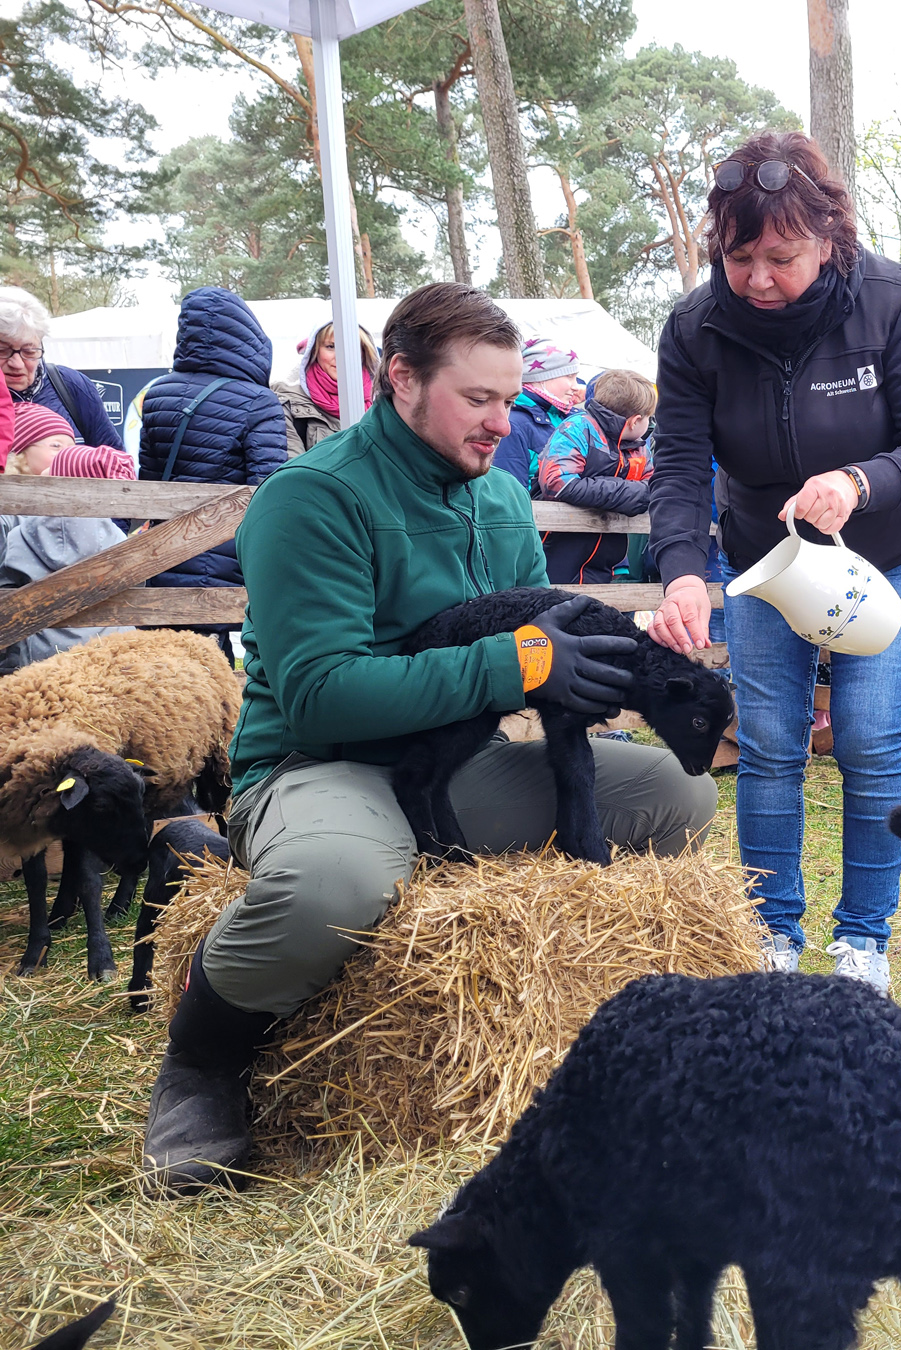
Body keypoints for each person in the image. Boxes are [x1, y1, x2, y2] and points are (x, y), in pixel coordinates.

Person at [142, 282, 717, 1195]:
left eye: (509, 397)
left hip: (454, 761)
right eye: (478, 398)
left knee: (675, 793)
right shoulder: (310, 498)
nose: (501, 421)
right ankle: (202, 1063)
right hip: (321, 763)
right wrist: (516, 666)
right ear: (400, 378)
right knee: (339, 879)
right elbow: (323, 695)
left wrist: (597, 677)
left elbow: (542, 641)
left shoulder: (498, 500)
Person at [645, 130, 901, 995]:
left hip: (888, 549)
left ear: (829, 238)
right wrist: (681, 570)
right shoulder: (696, 329)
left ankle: (863, 940)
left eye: (782, 257)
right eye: (739, 256)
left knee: (866, 732)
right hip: (764, 559)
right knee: (774, 741)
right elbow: (675, 465)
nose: (757, 279)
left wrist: (861, 481)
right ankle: (772, 930)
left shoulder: (889, 301)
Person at [136, 287, 289, 624]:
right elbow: (271, 490)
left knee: (170, 656)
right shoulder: (258, 401)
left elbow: (147, 481)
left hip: (165, 550)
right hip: (225, 551)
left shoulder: (158, 392)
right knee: (212, 657)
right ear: (246, 334)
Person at [0, 430, 133, 673]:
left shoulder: (20, 534)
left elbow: (6, 583)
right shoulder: (116, 538)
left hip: (39, 660)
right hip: (111, 651)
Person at [535, 368, 655, 585]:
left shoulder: (638, 450)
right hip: (557, 549)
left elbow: (654, 486)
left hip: (607, 556)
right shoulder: (579, 428)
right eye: (649, 417)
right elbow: (558, 482)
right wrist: (628, 493)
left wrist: (634, 494)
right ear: (635, 420)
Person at [0, 285, 123, 451]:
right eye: (2, 351)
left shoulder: (71, 384)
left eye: (29, 351)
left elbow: (115, 460)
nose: (17, 363)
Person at [275, 322, 378, 458]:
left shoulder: (387, 399)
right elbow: (291, 470)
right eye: (331, 346)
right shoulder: (287, 401)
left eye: (352, 346)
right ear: (314, 350)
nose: (341, 355)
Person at [494, 337, 582, 490]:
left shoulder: (572, 419)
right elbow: (510, 492)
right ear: (542, 377)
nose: (576, 387)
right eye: (569, 376)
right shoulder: (514, 425)